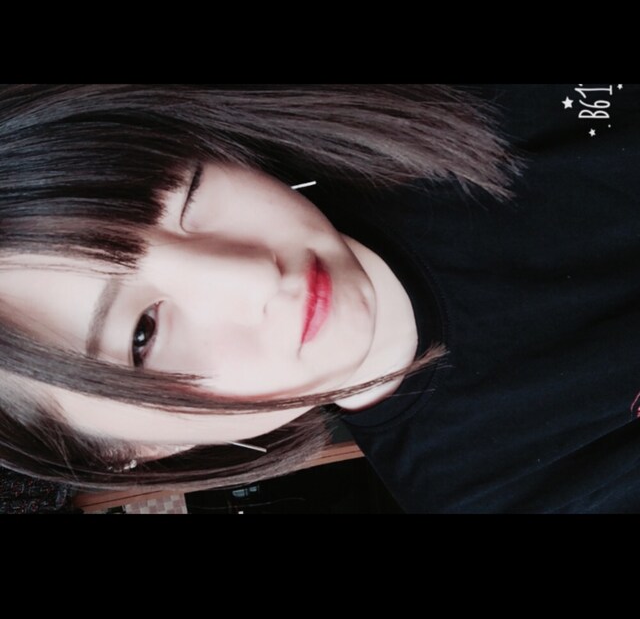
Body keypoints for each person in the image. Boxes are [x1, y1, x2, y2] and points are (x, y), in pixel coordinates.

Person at [0, 84, 636, 513]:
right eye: (144, 334)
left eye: (176, 192)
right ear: (137, 452)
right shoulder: (501, 492)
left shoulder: (440, 101)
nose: (253, 276)